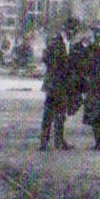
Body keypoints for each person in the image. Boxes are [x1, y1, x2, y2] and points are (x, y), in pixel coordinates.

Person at [39, 18, 80, 151]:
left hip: (63, 84)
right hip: (54, 83)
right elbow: (47, 59)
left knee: (60, 114)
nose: (72, 32)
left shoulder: (69, 44)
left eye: (74, 30)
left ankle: (58, 141)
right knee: (49, 114)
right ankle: (44, 142)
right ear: (66, 29)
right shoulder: (56, 42)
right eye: (71, 29)